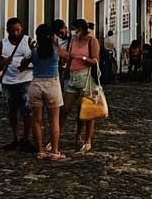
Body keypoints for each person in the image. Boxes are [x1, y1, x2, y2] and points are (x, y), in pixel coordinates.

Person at [29, 24, 69, 161]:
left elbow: (23, 65)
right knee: (54, 121)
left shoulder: (34, 51)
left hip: (36, 84)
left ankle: (40, 151)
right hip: (52, 84)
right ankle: (55, 151)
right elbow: (69, 56)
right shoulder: (56, 50)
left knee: (36, 121)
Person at [0, 17, 35, 151]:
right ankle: (15, 138)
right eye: (12, 31)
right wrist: (3, 62)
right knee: (12, 112)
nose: (16, 33)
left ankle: (26, 138)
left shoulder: (28, 41)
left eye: (18, 30)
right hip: (9, 81)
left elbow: (36, 57)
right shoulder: (2, 44)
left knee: (26, 111)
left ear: (21, 28)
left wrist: (27, 65)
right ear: (7, 31)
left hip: (25, 80)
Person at [65, 19, 102, 152]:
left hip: (86, 78)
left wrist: (83, 58)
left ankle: (87, 140)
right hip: (72, 77)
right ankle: (65, 138)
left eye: (75, 29)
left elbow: (96, 61)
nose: (73, 32)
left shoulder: (92, 41)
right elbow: (69, 57)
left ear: (82, 29)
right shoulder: (73, 40)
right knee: (65, 109)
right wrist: (65, 74)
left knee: (86, 111)